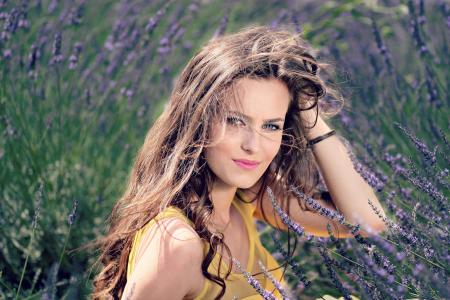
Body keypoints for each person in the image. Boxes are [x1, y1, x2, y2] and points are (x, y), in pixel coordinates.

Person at [90, 24, 387, 300]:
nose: (253, 146)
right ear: (197, 120)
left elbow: (367, 223)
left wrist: (310, 115)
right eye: (234, 121)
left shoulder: (246, 198)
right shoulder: (177, 244)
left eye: (271, 125)